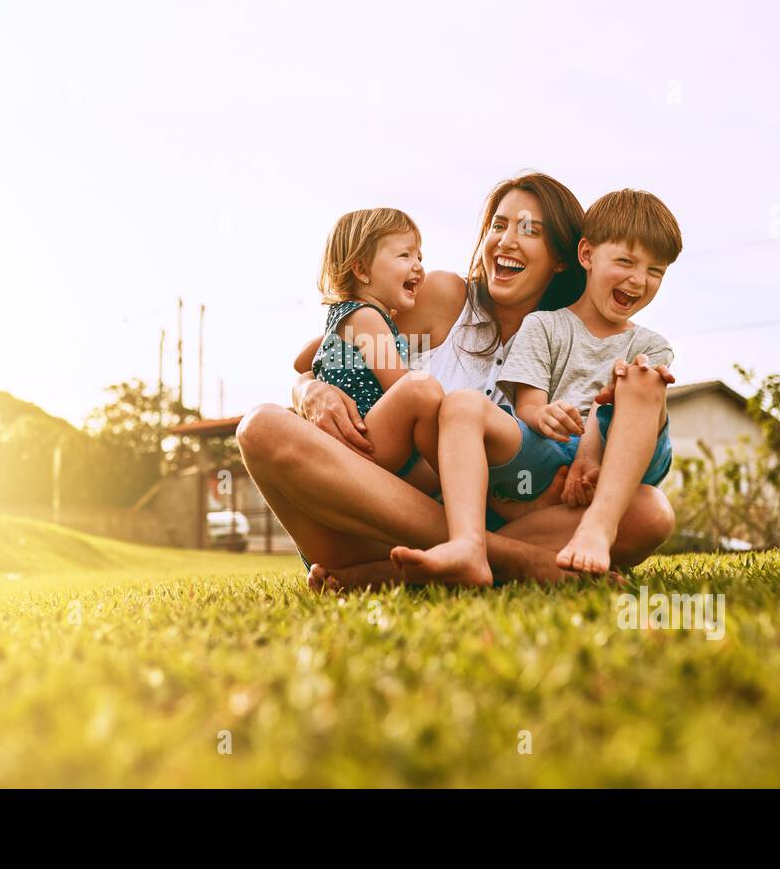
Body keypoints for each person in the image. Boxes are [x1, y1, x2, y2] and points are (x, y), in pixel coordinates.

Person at [235, 172, 677, 591]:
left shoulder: (574, 340)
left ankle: (403, 569)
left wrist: (586, 466)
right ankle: (511, 560)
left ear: (563, 259)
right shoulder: (444, 299)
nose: (506, 240)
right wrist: (311, 391)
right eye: (498, 225)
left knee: (649, 512)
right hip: (367, 516)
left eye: (528, 230)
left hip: (509, 522)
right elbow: (336, 344)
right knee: (260, 427)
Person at [389, 188, 681, 586]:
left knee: (640, 382)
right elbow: (528, 405)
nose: (638, 279)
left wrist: (592, 455)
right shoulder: (543, 325)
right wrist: (543, 415)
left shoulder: (650, 345)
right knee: (462, 404)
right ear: (586, 256)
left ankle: (598, 527)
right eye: (626, 262)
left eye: (655, 272)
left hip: (620, 459)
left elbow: (618, 410)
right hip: (549, 457)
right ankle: (468, 546)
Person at [306, 207, 443, 497]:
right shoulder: (367, 318)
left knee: (456, 474)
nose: (418, 265)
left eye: (420, 256)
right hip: (367, 439)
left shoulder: (343, 317)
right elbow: (399, 384)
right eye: (405, 255)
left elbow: (301, 362)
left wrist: (314, 381)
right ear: (362, 270)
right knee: (422, 390)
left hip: (362, 443)